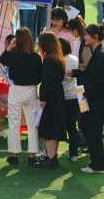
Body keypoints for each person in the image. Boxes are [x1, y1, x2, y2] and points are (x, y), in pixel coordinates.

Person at [69, 24, 104, 173]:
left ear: (95, 36)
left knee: (92, 130)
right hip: (95, 100)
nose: (84, 37)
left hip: (96, 101)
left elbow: (100, 79)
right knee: (88, 128)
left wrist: (88, 94)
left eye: (87, 35)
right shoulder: (99, 53)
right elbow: (92, 74)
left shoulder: (101, 54)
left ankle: (97, 165)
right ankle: (101, 158)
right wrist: (77, 72)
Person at [0, 28, 43, 165]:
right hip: (31, 90)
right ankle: (32, 155)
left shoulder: (14, 55)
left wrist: (10, 47)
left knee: (14, 122)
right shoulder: (36, 57)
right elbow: (40, 76)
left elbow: (2, 59)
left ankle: (14, 155)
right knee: (32, 124)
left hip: (17, 89)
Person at [33, 32, 67, 169]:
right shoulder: (59, 58)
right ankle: (53, 156)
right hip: (58, 95)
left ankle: (50, 158)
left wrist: (43, 99)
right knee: (55, 126)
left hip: (50, 97)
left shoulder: (48, 59)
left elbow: (47, 82)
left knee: (49, 128)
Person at [59, 37, 80, 162]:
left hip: (60, 97)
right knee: (72, 126)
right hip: (73, 96)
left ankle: (50, 153)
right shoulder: (74, 59)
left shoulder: (57, 61)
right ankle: (74, 153)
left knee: (56, 125)